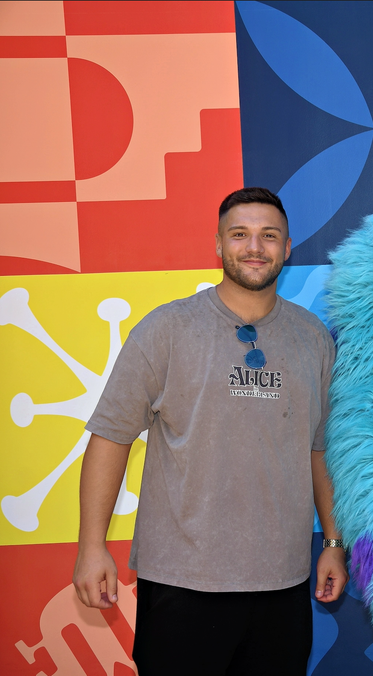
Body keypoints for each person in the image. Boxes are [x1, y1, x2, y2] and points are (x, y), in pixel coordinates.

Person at [72, 187, 348, 675]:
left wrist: (332, 542)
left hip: (281, 584)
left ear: (287, 248)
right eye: (239, 235)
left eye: (269, 236)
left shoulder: (313, 340)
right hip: (182, 583)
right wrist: (92, 547)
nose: (254, 247)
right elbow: (110, 437)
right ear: (218, 245)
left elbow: (320, 449)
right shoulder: (166, 330)